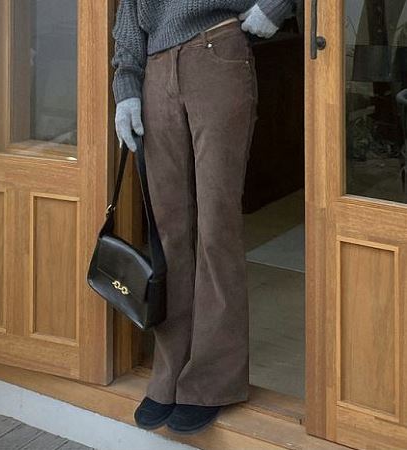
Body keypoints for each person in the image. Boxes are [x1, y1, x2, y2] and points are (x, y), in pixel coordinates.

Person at [111, 0, 298, 435]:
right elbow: (128, 18)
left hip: (217, 52)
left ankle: (211, 381)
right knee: (169, 230)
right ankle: (170, 371)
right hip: (156, 71)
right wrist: (127, 87)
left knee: (216, 227)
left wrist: (275, 6)